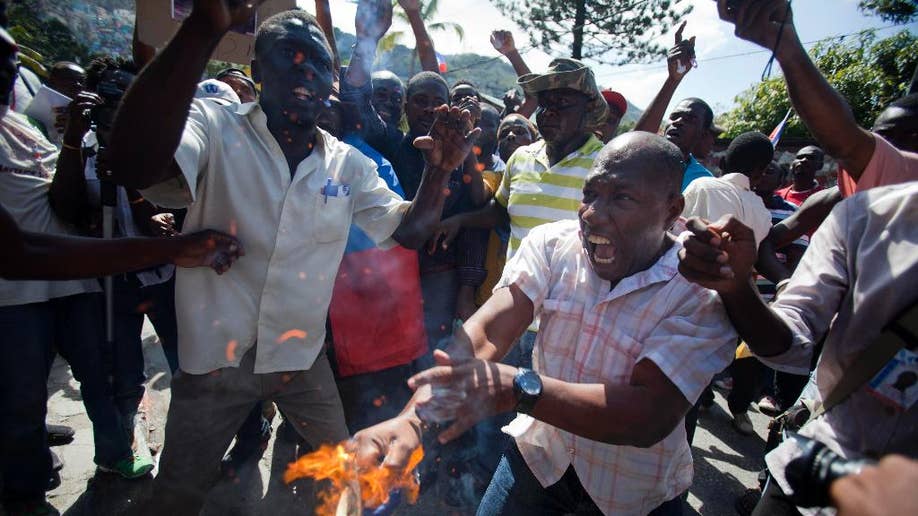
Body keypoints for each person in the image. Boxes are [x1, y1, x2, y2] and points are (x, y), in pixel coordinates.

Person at [104, 3, 477, 512]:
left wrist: (440, 172)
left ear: (331, 83)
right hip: (216, 361)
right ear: (257, 71)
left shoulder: (347, 162)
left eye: (319, 64)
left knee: (344, 474)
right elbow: (132, 163)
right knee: (177, 493)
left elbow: (408, 232)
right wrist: (204, 27)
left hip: (300, 360)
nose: (305, 70)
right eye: (288, 56)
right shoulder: (213, 126)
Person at [352, 132, 737, 515]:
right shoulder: (553, 244)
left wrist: (522, 390)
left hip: (633, 494)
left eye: (621, 198)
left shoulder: (700, 287)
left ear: (672, 210)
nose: (592, 213)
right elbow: (490, 329)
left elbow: (647, 415)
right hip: (541, 459)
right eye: (590, 194)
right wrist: (414, 419)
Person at [0, 24, 240, 515]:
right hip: (99, 285)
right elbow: (55, 218)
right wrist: (76, 145)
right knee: (111, 376)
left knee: (190, 369)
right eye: (108, 105)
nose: (13, 72)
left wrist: (156, 217)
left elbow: (175, 203)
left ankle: (190, 457)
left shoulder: (165, 141)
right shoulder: (79, 145)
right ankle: (101, 461)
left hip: (159, 281)